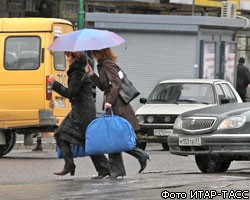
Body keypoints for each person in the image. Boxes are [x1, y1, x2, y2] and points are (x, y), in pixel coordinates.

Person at [85, 48, 149, 179]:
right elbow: (104, 87)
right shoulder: (102, 65)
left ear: (99, 53)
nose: (94, 56)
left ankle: (132, 161)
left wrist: (110, 101)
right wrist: (92, 74)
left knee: (114, 137)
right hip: (113, 104)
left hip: (117, 105)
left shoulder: (108, 64)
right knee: (113, 138)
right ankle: (125, 166)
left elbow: (116, 84)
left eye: (94, 53)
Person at [50, 51, 110, 177]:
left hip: (83, 111)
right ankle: (102, 168)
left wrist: (54, 84)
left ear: (75, 57)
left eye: (69, 56)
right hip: (83, 109)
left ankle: (72, 165)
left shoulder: (77, 72)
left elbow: (71, 93)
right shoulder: (80, 70)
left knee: (64, 135)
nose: (67, 59)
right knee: (86, 139)